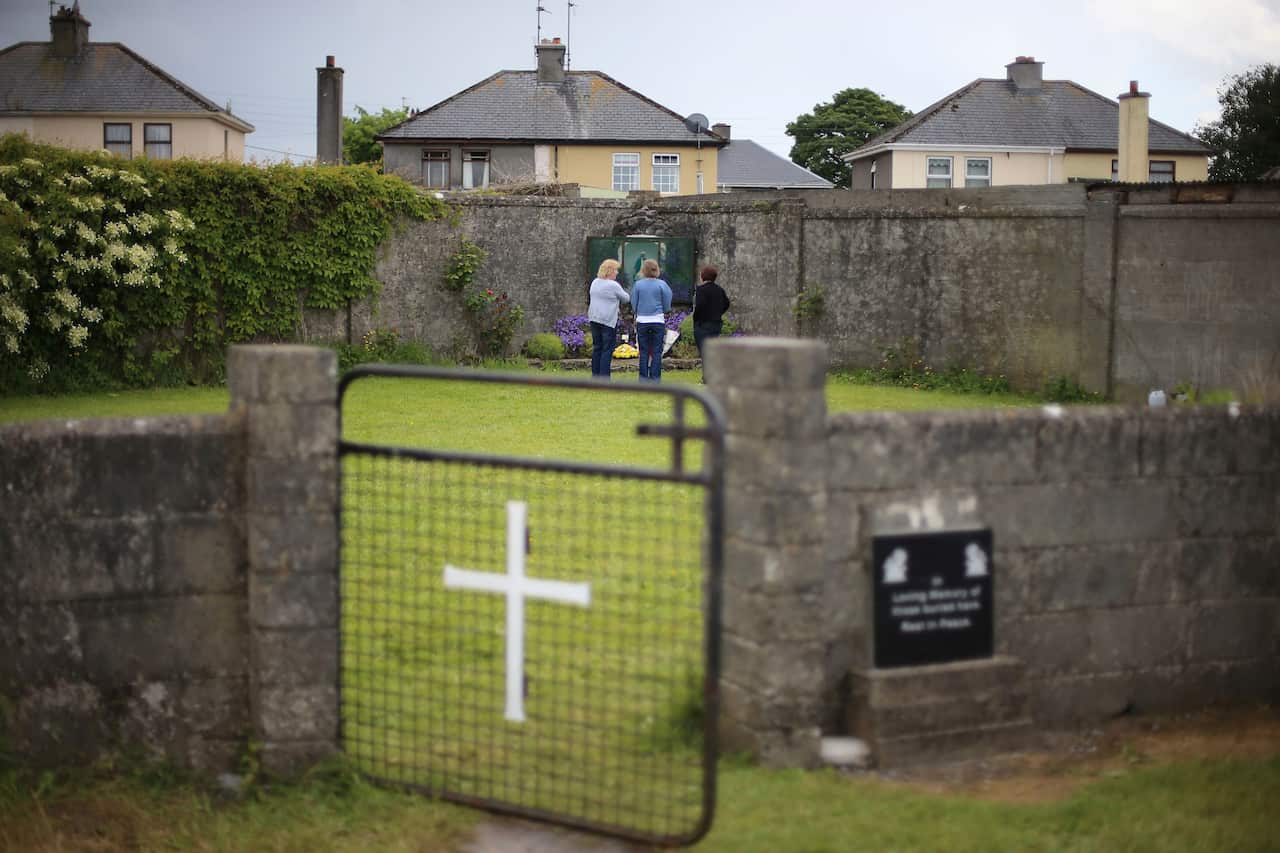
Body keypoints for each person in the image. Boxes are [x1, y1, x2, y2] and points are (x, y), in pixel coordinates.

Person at [587, 259, 630, 379]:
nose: (617, 273)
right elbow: (626, 298)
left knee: (597, 347)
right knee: (607, 349)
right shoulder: (613, 285)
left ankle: (595, 377)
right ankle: (604, 379)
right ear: (609, 271)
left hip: (594, 318)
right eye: (615, 270)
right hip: (607, 321)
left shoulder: (595, 282)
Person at [631, 258, 672, 382]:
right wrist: (664, 310)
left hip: (642, 321)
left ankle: (643, 379)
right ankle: (655, 379)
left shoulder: (638, 284)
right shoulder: (662, 284)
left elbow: (633, 302)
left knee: (643, 351)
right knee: (656, 351)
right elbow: (667, 303)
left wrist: (637, 311)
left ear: (643, 270)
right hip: (657, 320)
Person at [692, 265, 730, 359]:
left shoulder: (701, 290)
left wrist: (696, 319)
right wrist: (718, 313)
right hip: (716, 324)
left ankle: (707, 373)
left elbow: (699, 306)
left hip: (703, 324)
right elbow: (727, 303)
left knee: (704, 351)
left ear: (702, 276)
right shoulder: (719, 290)